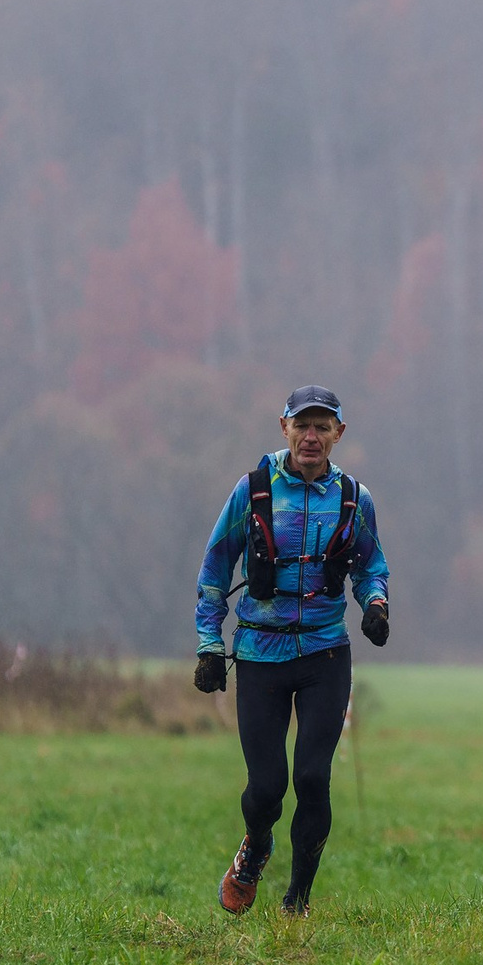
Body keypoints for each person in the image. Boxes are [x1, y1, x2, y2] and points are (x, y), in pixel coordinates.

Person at [194, 385, 390, 917]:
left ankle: (297, 900)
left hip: (326, 655)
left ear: (338, 434)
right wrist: (209, 645)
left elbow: (371, 566)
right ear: (284, 427)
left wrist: (375, 605)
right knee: (266, 790)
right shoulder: (253, 491)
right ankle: (256, 846)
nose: (310, 436)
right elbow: (215, 569)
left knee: (312, 778)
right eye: (302, 425)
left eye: (322, 427)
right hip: (260, 654)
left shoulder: (355, 498)